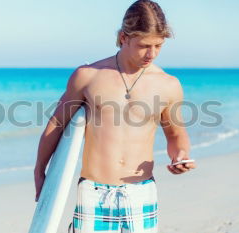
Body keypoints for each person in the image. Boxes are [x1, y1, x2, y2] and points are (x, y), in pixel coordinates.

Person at [34, 0, 196, 232]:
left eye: (158, 46)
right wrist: (40, 170)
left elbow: (175, 133)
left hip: (140, 191)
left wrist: (180, 154)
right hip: (93, 192)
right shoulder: (88, 76)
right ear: (123, 37)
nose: (151, 54)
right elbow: (57, 124)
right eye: (143, 45)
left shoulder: (168, 85)